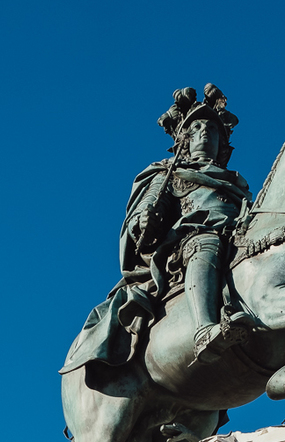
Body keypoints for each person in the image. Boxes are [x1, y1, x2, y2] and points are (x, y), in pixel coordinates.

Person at [62, 84, 255, 383]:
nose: (206, 133)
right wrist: (145, 220)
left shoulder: (237, 185)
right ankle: (204, 329)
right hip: (189, 243)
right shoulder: (168, 173)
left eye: (213, 130)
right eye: (198, 128)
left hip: (236, 237)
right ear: (185, 140)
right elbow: (145, 218)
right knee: (206, 243)